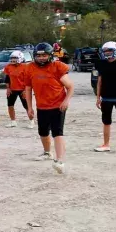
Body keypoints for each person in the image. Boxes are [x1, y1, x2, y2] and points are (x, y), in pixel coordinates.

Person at [25, 43, 74, 174]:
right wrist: (29, 108)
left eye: (44, 55)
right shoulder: (30, 68)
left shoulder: (57, 66)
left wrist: (66, 101)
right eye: (39, 55)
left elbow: (70, 87)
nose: (41, 58)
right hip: (41, 105)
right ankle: (47, 152)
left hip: (58, 105)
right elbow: (28, 89)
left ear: (50, 55)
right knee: (43, 132)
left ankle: (59, 161)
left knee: (57, 132)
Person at [3, 51, 34, 129]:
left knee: (27, 106)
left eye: (15, 58)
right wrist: (8, 88)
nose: (13, 60)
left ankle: (32, 121)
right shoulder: (8, 66)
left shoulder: (25, 66)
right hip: (12, 89)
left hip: (22, 89)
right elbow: (7, 78)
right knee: (10, 105)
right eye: (12, 58)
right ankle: (13, 121)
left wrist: (25, 90)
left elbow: (29, 79)